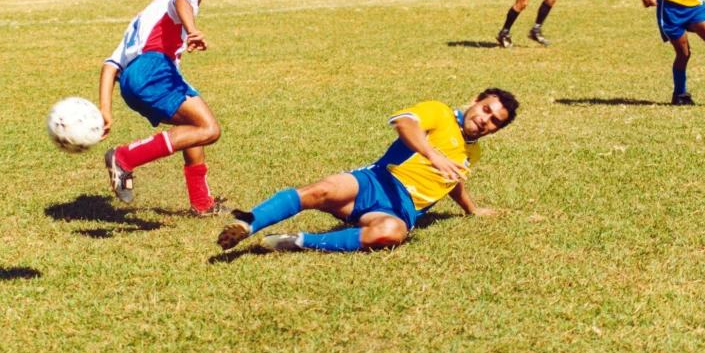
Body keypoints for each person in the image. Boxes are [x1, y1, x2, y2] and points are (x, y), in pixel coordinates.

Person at [217, 89, 520, 253]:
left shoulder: (473, 153)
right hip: (376, 181)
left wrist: (471, 209)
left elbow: (451, 182)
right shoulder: (439, 113)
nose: (485, 120)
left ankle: (297, 241)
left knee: (391, 234)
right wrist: (432, 154)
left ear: (496, 130)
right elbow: (404, 123)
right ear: (475, 101)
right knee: (319, 190)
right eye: (486, 110)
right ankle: (248, 224)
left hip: (402, 210)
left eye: (494, 121)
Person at [100, 0, 227, 216]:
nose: (194, 7)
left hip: (131, 81)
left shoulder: (140, 20)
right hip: (155, 69)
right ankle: (124, 157)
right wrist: (192, 30)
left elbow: (110, 66)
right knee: (210, 129)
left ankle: (202, 203)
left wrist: (105, 110)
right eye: (196, 1)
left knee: (192, 127)